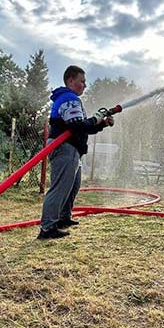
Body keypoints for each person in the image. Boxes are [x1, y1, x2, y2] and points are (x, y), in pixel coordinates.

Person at [38, 65, 114, 239]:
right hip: (65, 148)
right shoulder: (68, 98)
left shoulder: (71, 99)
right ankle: (48, 228)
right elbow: (78, 126)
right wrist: (95, 119)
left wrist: (101, 123)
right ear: (71, 81)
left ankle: (64, 218)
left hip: (73, 150)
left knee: (73, 185)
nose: (85, 85)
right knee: (60, 188)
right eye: (82, 81)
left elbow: (82, 128)